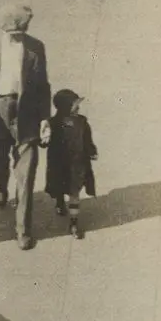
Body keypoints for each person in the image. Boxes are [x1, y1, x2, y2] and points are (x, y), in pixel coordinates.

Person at [0, 4, 51, 250]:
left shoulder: (36, 47)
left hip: (26, 112)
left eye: (21, 33)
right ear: (3, 29)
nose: (17, 38)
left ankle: (23, 230)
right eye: (12, 34)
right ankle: (0, 185)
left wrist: (45, 118)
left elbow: (43, 85)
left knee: (26, 174)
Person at [45, 88, 98, 239]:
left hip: (77, 164)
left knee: (74, 192)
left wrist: (91, 151)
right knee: (59, 186)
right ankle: (60, 202)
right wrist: (44, 138)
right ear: (66, 107)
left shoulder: (82, 122)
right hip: (59, 164)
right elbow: (44, 141)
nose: (78, 107)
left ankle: (73, 223)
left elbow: (87, 139)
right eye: (75, 105)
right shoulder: (52, 123)